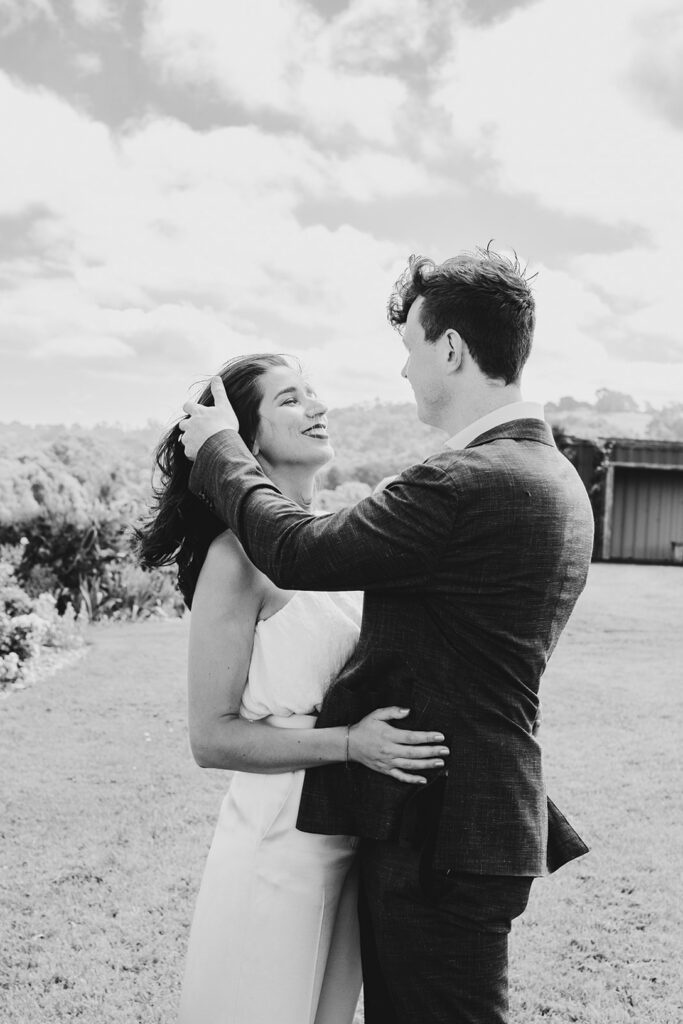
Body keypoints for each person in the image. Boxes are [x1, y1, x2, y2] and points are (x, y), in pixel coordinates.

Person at [178, 247, 596, 1024]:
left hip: (440, 828)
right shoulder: (551, 474)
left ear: (449, 348)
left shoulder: (462, 481)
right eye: (289, 399)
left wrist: (217, 450)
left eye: (409, 348)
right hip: (417, 821)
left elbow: (300, 552)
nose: (403, 374)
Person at [137, 353, 448, 1024]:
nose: (318, 408)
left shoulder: (339, 537)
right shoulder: (233, 558)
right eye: (290, 399)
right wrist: (350, 745)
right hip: (277, 839)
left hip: (353, 835)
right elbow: (210, 736)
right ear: (243, 443)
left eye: (314, 394)